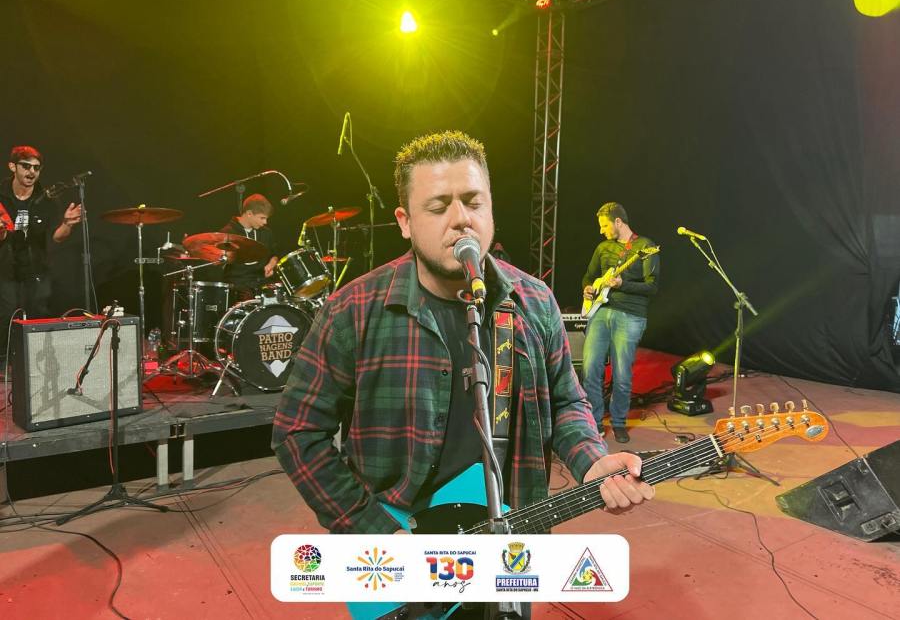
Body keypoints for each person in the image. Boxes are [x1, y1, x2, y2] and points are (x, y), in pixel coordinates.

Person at [273, 131, 653, 542]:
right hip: (396, 549)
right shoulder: (353, 310)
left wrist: (592, 460)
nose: (461, 219)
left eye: (474, 203)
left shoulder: (535, 302)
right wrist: (375, 532)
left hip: (511, 542)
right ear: (405, 222)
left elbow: (565, 401)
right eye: (438, 207)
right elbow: (297, 431)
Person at [581, 202, 659, 444]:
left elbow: (652, 287)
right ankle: (594, 422)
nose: (601, 230)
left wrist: (622, 284)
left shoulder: (644, 246)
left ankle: (618, 422)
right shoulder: (603, 247)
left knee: (622, 374)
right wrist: (588, 288)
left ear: (618, 221)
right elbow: (588, 276)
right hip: (601, 312)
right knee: (590, 369)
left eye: (604, 225)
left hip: (631, 315)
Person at [0, 146, 82, 358]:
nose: (31, 172)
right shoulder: (1, 195)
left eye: (36, 168)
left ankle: (35, 367)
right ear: (12, 167)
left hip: (36, 270)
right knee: (5, 318)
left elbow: (57, 237)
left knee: (38, 318)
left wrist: (67, 224)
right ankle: (4, 366)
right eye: (26, 166)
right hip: (5, 269)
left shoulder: (47, 199)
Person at [219, 193, 279, 300]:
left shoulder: (266, 232)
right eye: (262, 218)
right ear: (249, 214)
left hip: (262, 283)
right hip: (238, 286)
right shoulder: (227, 233)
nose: (265, 222)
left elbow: (274, 254)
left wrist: (271, 264)